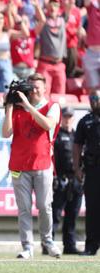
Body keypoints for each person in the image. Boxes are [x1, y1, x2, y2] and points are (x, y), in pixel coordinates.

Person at [1, 72, 62, 259]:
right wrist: (9, 106)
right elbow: (6, 133)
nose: (34, 90)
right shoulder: (18, 109)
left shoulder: (53, 107)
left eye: (37, 87)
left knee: (44, 206)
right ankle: (27, 247)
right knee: (24, 208)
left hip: (42, 164)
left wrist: (28, 106)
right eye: (31, 87)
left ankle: (47, 241)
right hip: (19, 165)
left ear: (45, 89)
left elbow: (47, 125)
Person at [50, 106, 82, 255]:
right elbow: (52, 158)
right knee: (55, 215)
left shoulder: (78, 136)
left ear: (73, 118)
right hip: (60, 181)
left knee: (72, 216)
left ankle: (70, 246)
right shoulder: (56, 136)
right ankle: (48, 245)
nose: (67, 119)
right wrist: (54, 177)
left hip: (75, 182)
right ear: (61, 118)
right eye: (65, 116)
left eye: (70, 117)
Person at [73, 89, 100, 256]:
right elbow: (77, 146)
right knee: (92, 209)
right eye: (91, 98)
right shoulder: (85, 121)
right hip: (93, 169)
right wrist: (76, 167)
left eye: (96, 97)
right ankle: (91, 246)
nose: (93, 100)